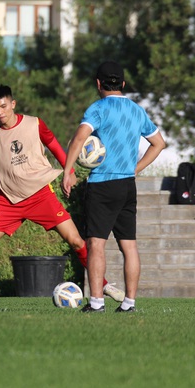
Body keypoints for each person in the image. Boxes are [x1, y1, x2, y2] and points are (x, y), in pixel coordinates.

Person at [0, 84, 125, 305]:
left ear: (13, 104)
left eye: (3, 106)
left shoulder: (34, 123)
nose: (0, 112)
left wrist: (69, 172)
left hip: (40, 195)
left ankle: (104, 285)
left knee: (76, 241)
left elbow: (54, 145)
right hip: (8, 200)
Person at [63, 61, 165, 313]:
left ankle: (97, 302)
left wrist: (67, 171)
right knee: (129, 245)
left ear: (98, 84)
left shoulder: (98, 108)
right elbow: (159, 144)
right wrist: (135, 169)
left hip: (103, 183)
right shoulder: (136, 110)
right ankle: (129, 303)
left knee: (96, 243)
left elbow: (79, 138)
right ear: (122, 83)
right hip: (127, 185)